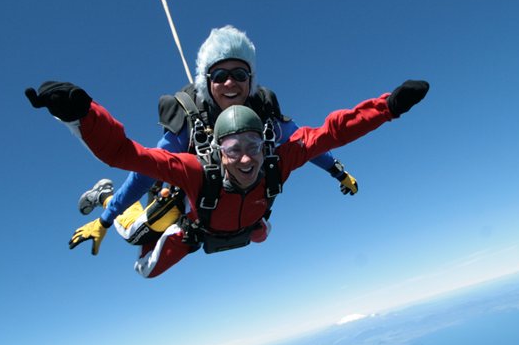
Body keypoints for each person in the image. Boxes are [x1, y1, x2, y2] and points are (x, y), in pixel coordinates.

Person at [26, 78, 429, 278]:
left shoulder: (276, 160)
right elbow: (127, 155)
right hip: (193, 224)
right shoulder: (195, 170)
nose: (245, 158)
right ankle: (106, 197)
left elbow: (329, 134)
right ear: (217, 150)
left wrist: (389, 107)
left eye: (253, 145)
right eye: (233, 148)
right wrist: (81, 113)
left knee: (257, 230)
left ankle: (150, 217)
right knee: (141, 259)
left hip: (231, 224)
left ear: (265, 142)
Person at [69, 26, 359, 256]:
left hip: (229, 198)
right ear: (206, 81)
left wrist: (338, 171)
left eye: (239, 74)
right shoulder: (190, 123)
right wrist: (106, 218)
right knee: (138, 236)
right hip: (187, 189)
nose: (230, 83)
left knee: (256, 229)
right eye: (220, 75)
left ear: (251, 79)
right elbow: (145, 169)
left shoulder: (263, 117)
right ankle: (103, 193)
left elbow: (307, 142)